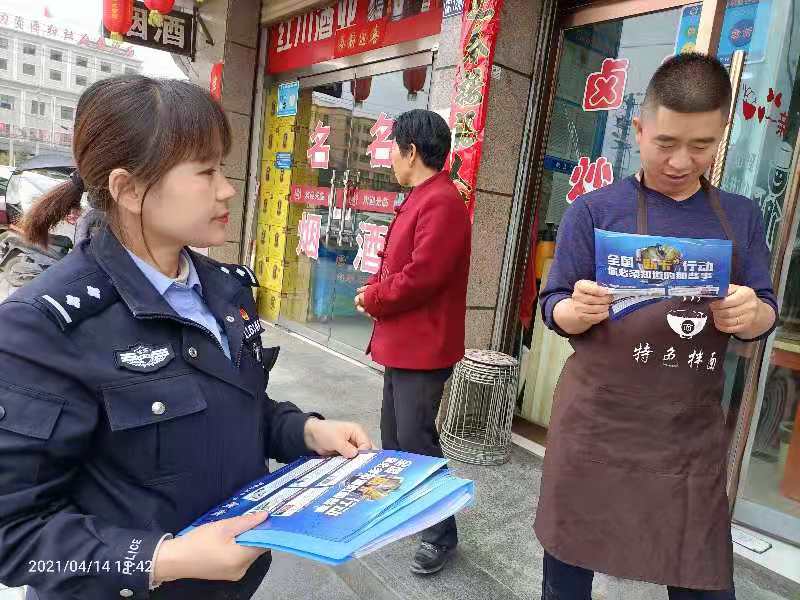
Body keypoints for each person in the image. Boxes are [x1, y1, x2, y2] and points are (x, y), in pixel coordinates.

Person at [0, 75, 372, 600]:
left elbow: (236, 407)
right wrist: (163, 559)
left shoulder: (223, 288)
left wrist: (305, 431)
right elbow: (13, 534)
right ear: (129, 189)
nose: (227, 189)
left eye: (222, 167)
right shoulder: (43, 327)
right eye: (205, 171)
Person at [535, 53, 778, 599]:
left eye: (702, 145)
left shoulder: (739, 217)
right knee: (567, 577)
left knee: (701, 580)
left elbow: (764, 310)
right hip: (597, 428)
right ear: (640, 129)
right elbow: (552, 304)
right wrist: (574, 310)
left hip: (685, 437)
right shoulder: (594, 211)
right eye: (666, 142)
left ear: (722, 136)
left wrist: (750, 315)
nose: (681, 161)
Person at [354, 109, 471, 575]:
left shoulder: (441, 201)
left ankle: (441, 534)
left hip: (424, 347)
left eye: (393, 150)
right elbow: (401, 266)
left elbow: (422, 276)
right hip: (405, 344)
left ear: (412, 152)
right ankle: (410, 513)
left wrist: (375, 297)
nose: (390, 160)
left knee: (416, 439)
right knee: (396, 437)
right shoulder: (426, 196)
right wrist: (375, 292)